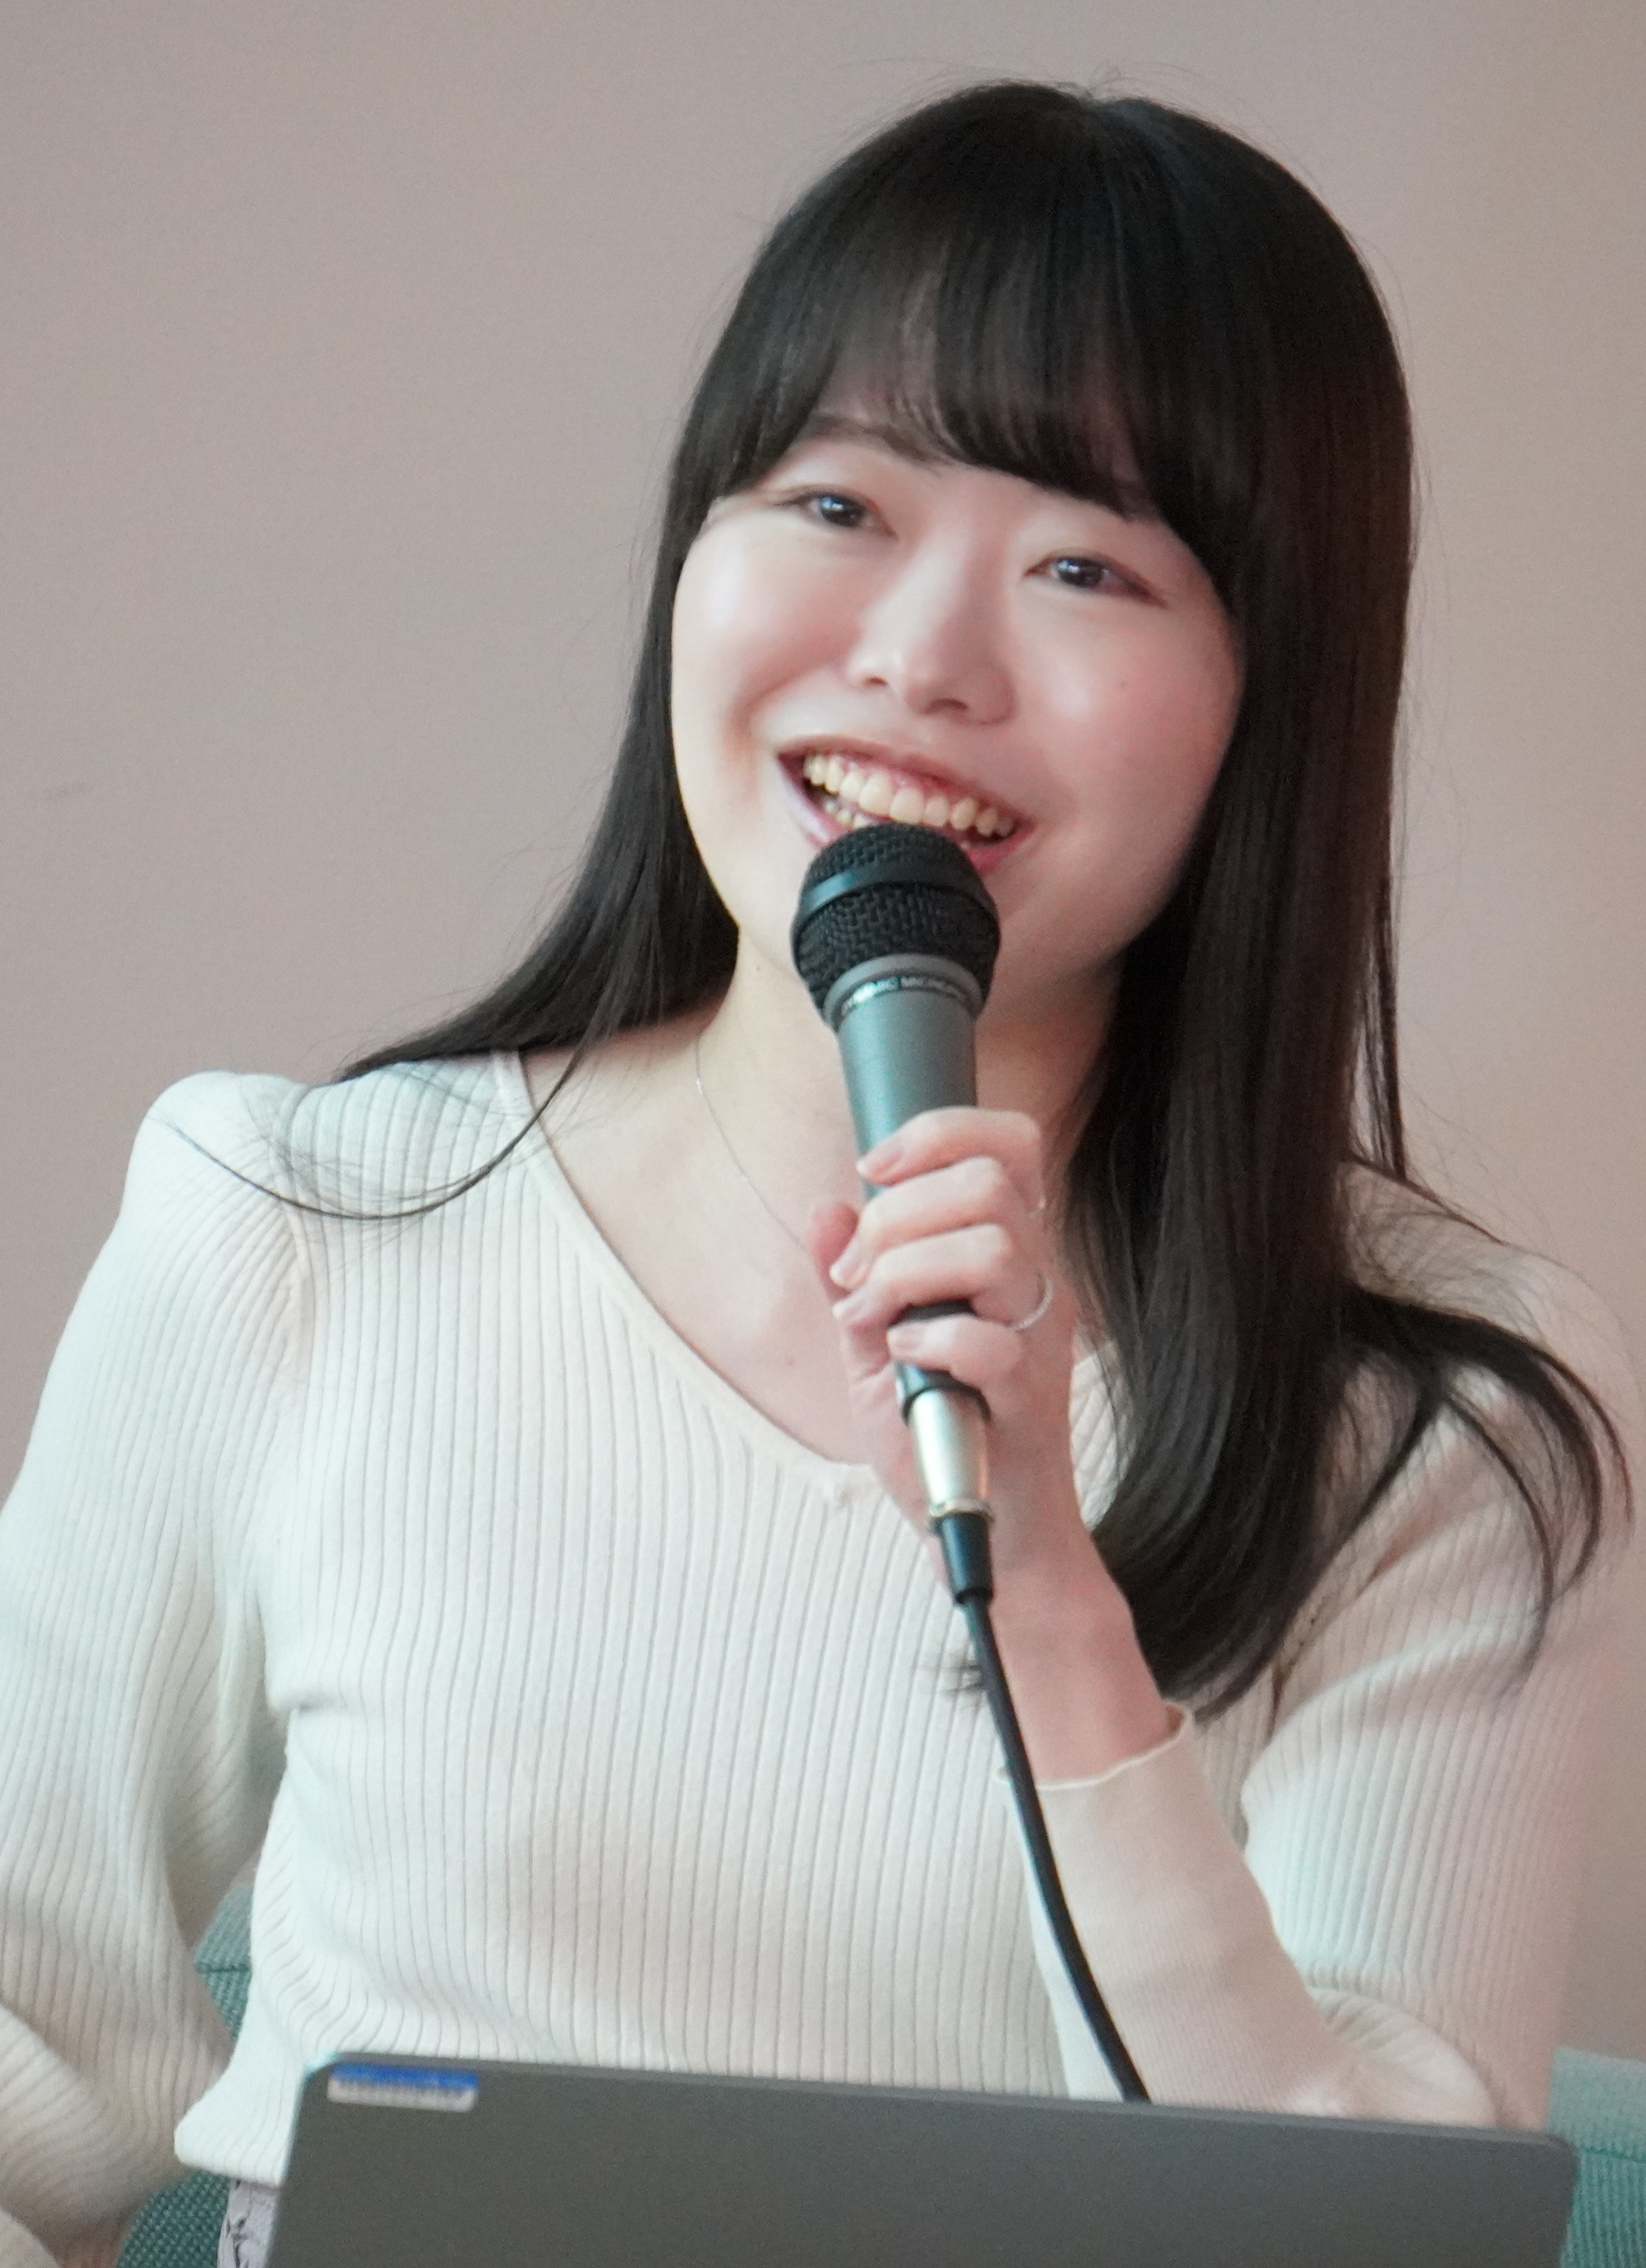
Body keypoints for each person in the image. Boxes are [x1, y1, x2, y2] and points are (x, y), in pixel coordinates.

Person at [0, 79, 1635, 2268]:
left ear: (1275, 691)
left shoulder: (1447, 1411)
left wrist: (1049, 1594)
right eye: (837, 502)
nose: (918, 660)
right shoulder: (289, 1228)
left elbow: (1375, 2235)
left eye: (1084, 566)